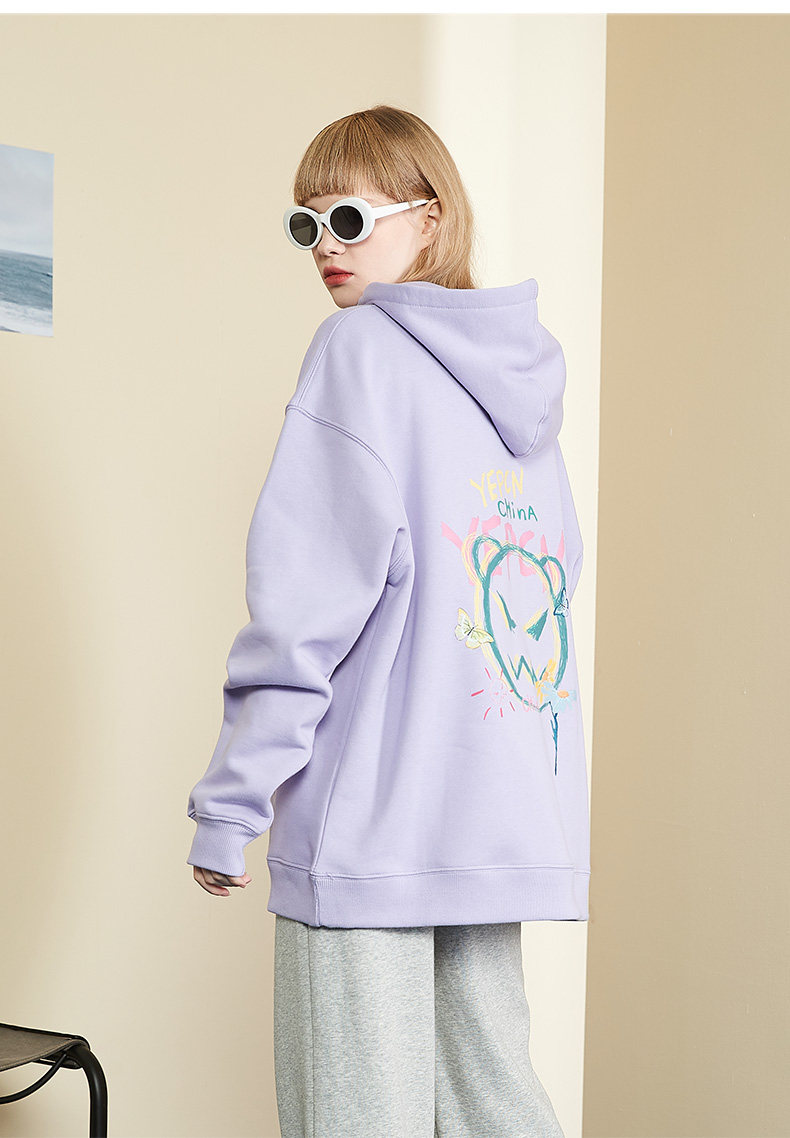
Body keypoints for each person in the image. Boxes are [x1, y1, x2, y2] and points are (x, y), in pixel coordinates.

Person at [186, 104, 588, 1138]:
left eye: (350, 219)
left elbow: (305, 605)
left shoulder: (356, 349)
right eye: (306, 224)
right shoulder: (522, 384)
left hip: (371, 818)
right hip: (495, 816)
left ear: (429, 216)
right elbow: (547, 587)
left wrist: (233, 803)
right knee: (496, 1106)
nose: (326, 246)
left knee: (357, 1115)